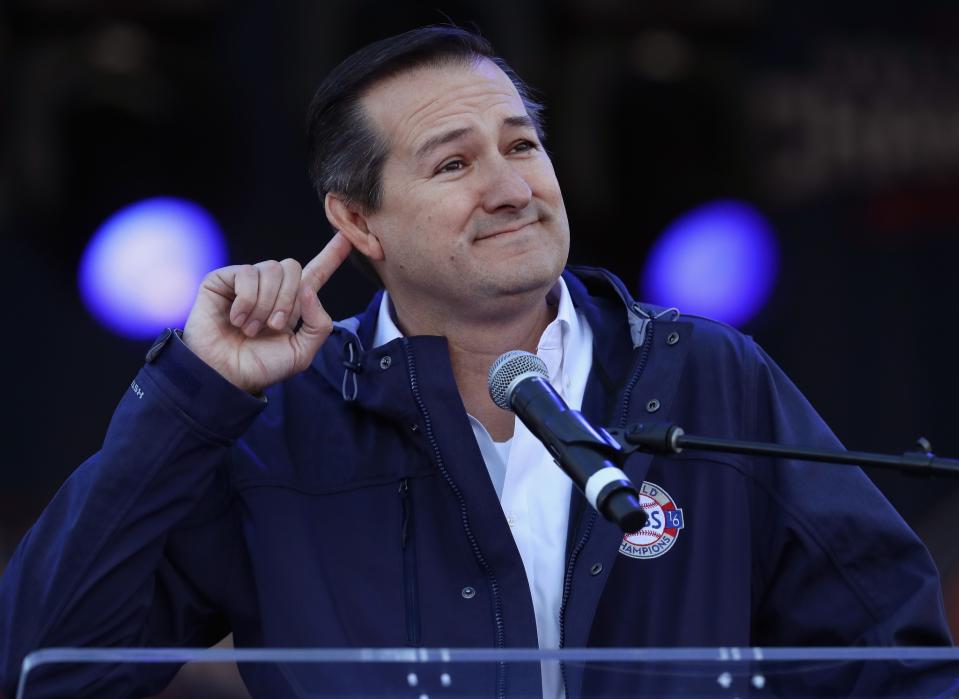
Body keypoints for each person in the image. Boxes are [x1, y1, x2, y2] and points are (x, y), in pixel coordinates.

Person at [0, 25, 953, 699]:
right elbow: (47, 663)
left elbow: (895, 661)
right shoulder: (280, 426)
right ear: (357, 219)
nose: (510, 188)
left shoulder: (706, 374)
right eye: (453, 164)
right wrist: (192, 396)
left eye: (522, 145)